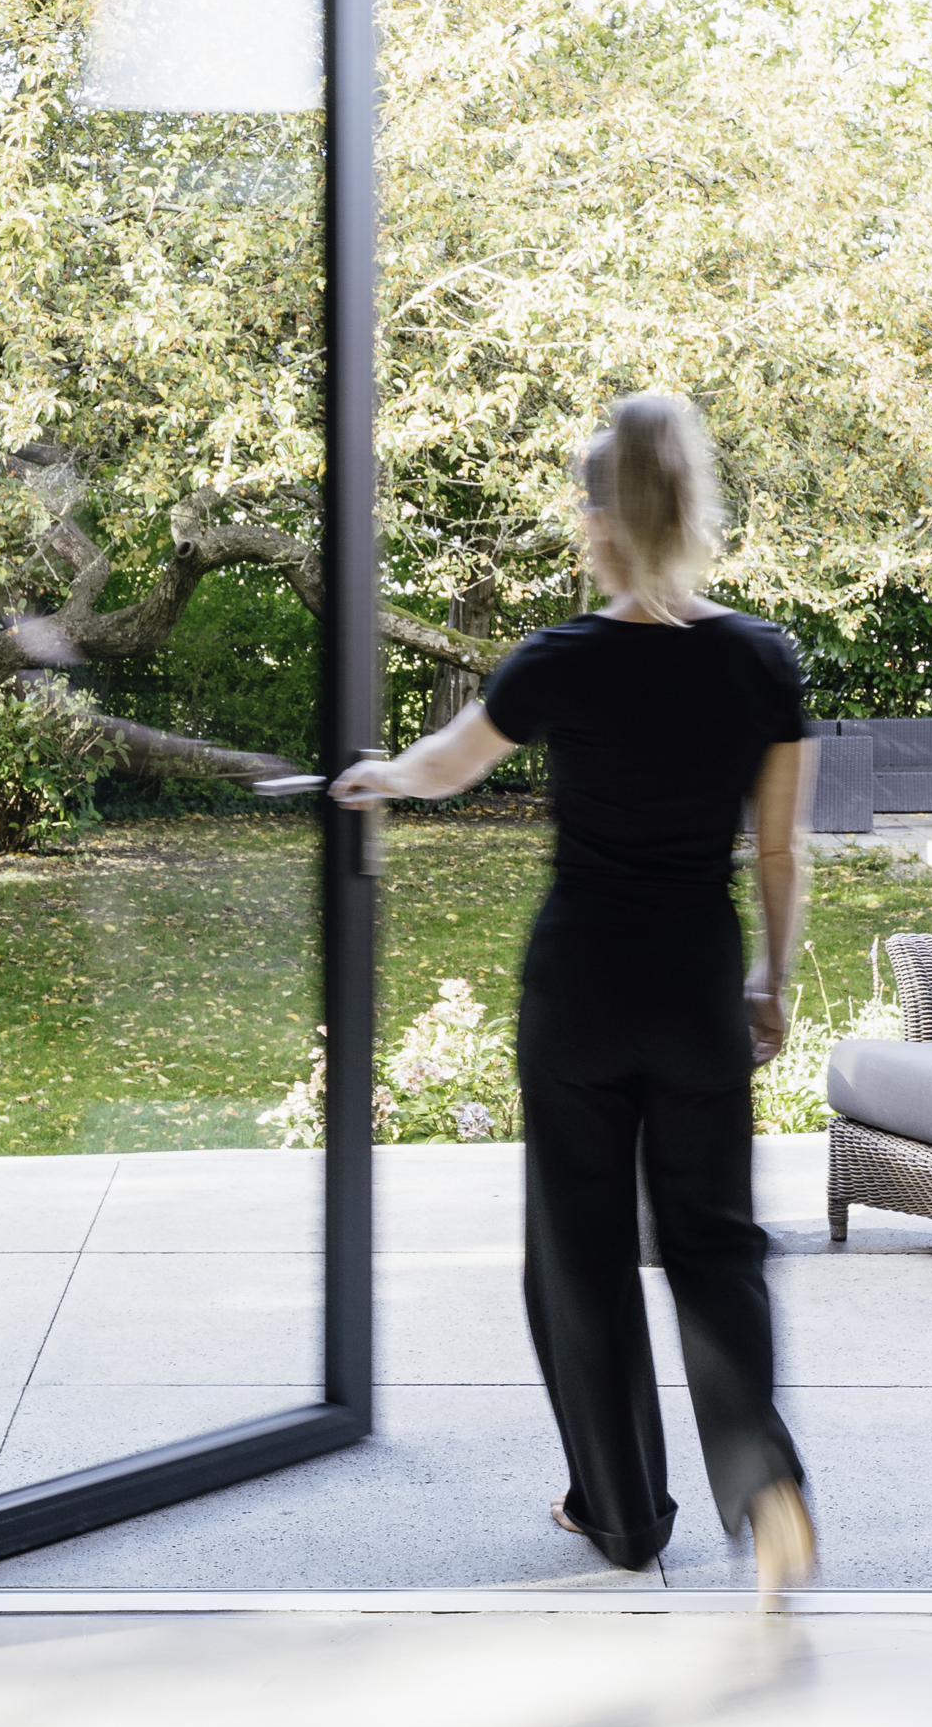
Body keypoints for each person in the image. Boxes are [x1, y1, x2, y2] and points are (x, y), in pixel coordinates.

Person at [333, 391, 820, 1604]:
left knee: (580, 1255)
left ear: (598, 522)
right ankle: (764, 1490)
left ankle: (620, 1512)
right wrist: (772, 975)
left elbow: (442, 767)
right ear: (692, 508)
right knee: (713, 1246)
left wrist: (373, 777)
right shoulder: (764, 659)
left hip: (581, 993)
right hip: (698, 982)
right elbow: (781, 851)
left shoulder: (558, 659)